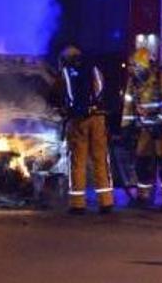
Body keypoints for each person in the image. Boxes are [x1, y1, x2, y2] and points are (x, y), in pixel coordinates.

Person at [58, 44, 114, 214]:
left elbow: (68, 95)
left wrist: (74, 109)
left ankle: (77, 204)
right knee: (100, 159)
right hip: (98, 117)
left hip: (78, 120)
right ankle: (106, 202)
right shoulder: (92, 67)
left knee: (78, 161)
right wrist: (93, 105)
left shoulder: (67, 71)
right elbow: (100, 88)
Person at [120, 48, 162, 206]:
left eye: (138, 67)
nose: (135, 71)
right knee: (143, 162)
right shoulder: (134, 81)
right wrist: (126, 127)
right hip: (145, 128)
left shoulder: (161, 78)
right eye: (133, 67)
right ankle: (144, 196)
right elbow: (128, 106)